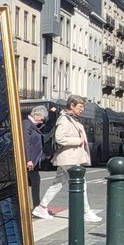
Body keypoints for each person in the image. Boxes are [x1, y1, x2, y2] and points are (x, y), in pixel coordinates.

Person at [33, 95, 101, 223]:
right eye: (80, 107)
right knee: (81, 183)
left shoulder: (71, 119)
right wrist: (78, 140)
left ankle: (41, 207)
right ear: (72, 106)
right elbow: (60, 138)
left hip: (69, 158)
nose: (82, 109)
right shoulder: (64, 119)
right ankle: (86, 212)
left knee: (58, 183)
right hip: (69, 158)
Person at [22, 105, 48, 211]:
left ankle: (36, 206)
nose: (42, 122)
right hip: (28, 160)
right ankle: (35, 207)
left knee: (35, 180)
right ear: (36, 116)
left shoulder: (32, 125)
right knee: (33, 181)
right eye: (41, 119)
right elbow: (25, 143)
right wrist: (28, 159)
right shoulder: (27, 124)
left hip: (32, 160)